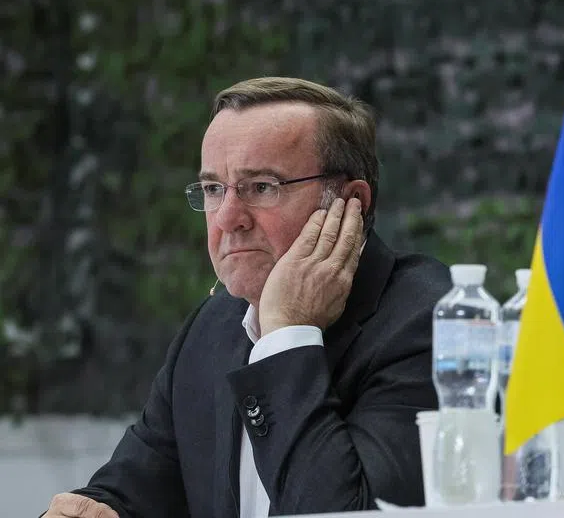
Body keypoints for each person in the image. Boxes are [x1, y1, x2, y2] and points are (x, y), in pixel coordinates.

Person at [44, 77, 452, 518]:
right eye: (214, 189)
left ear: (349, 202)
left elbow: (342, 511)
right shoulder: (213, 325)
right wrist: (98, 510)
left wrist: (288, 334)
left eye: (261, 187)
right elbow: (131, 491)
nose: (228, 218)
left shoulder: (431, 319)